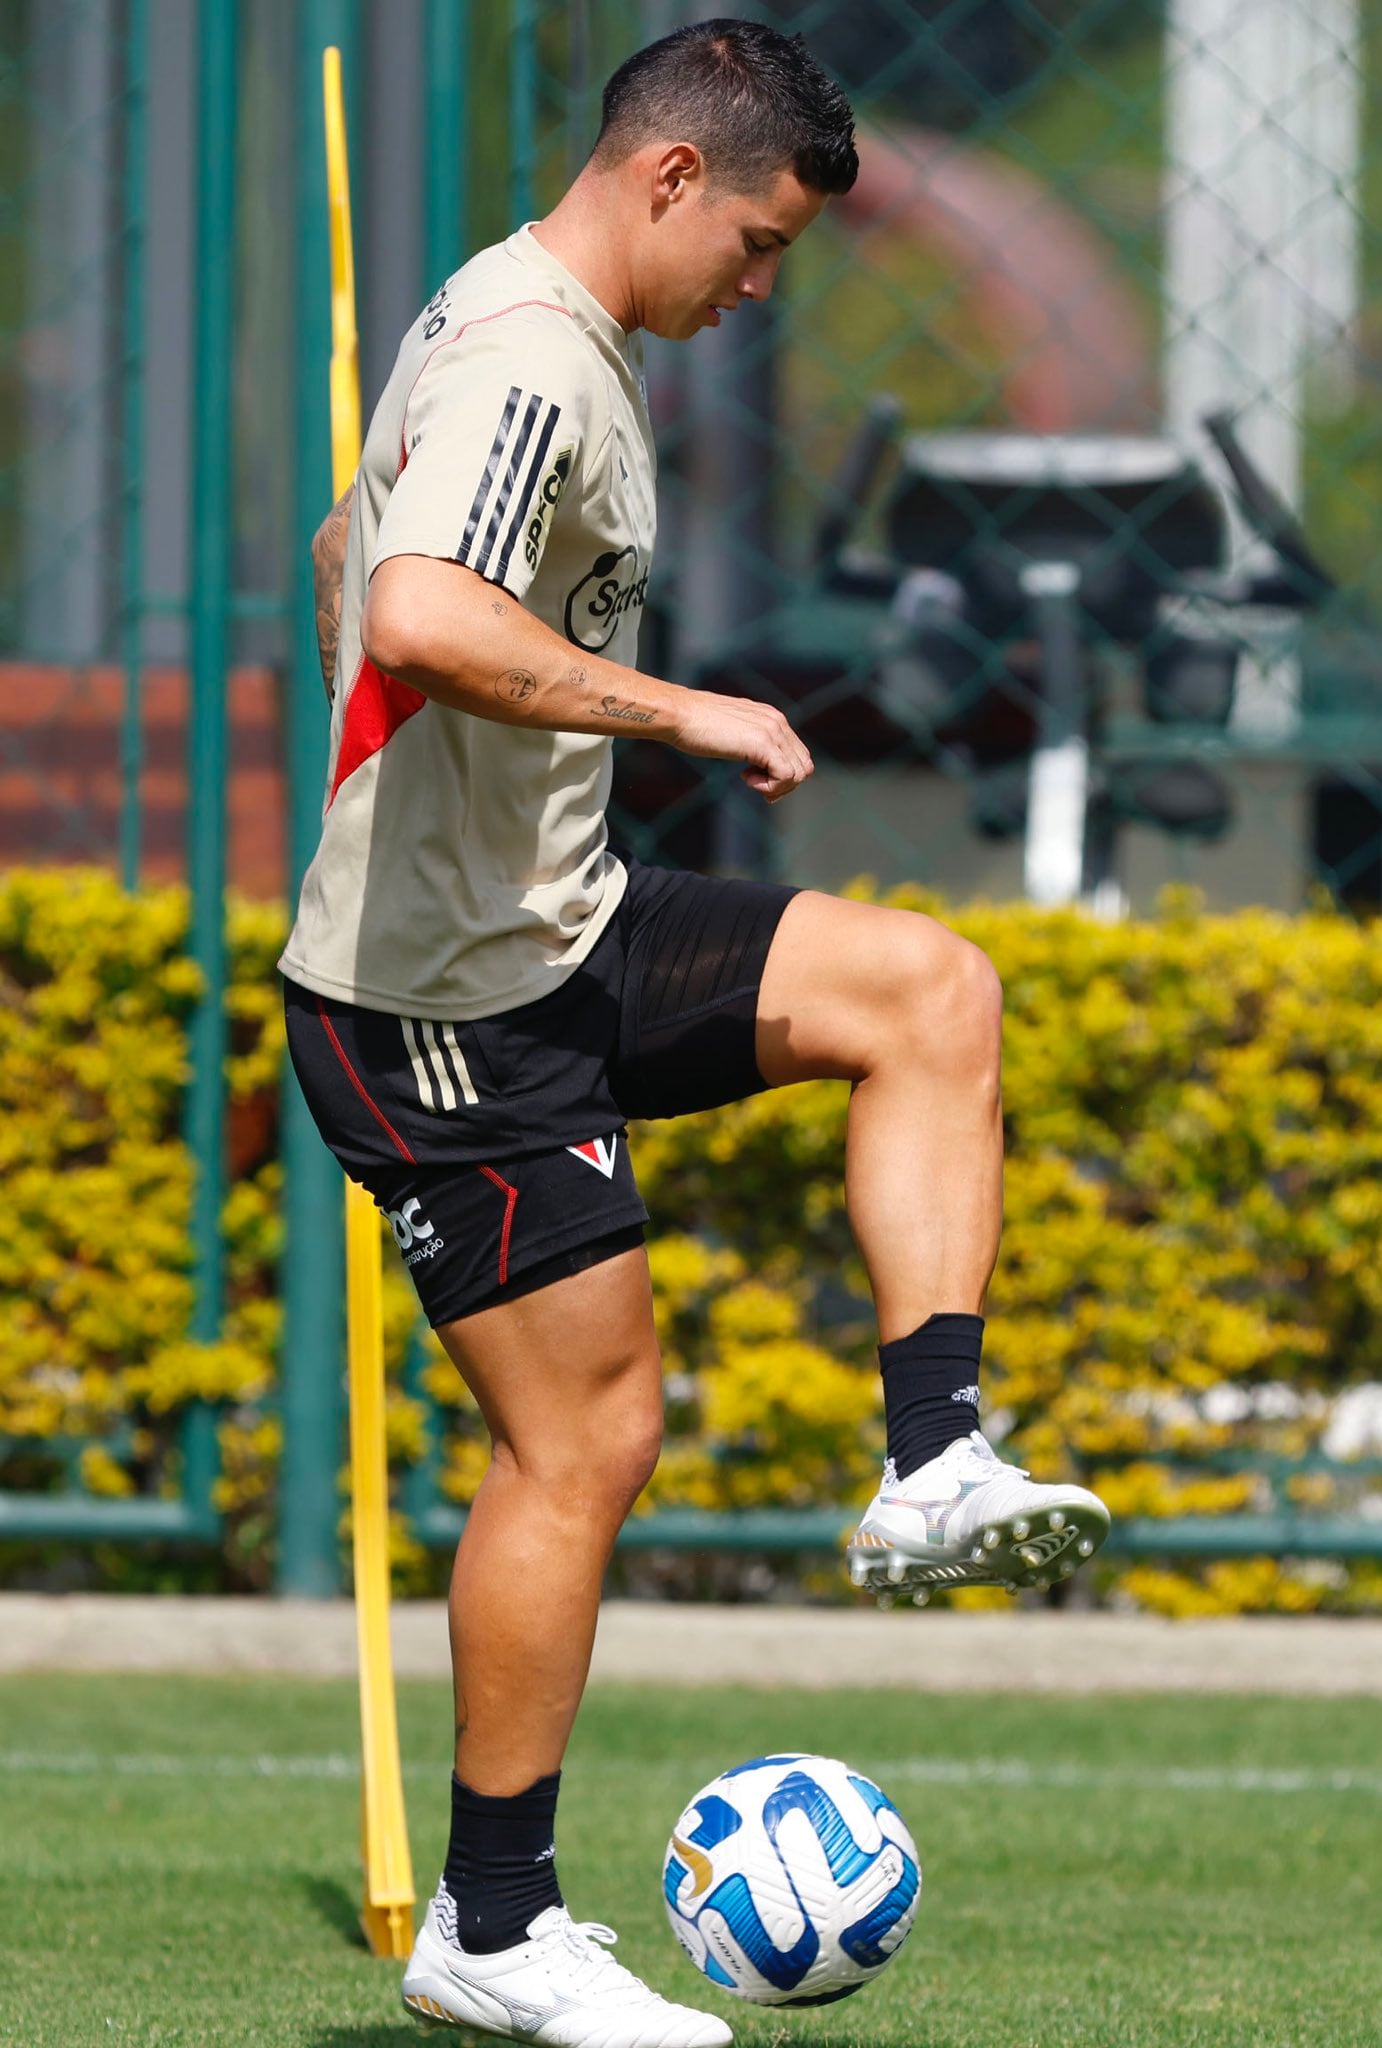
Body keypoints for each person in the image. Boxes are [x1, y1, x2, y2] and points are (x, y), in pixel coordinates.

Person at [281, 20, 1110, 2047]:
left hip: (554, 923)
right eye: (754, 245)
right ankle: (492, 1926)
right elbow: (407, 608)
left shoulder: (547, 322)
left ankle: (933, 1454)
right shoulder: (533, 351)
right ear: (667, 179)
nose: (760, 290)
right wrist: (689, 713)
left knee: (931, 988)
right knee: (588, 1435)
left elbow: (346, 563)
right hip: (439, 1000)